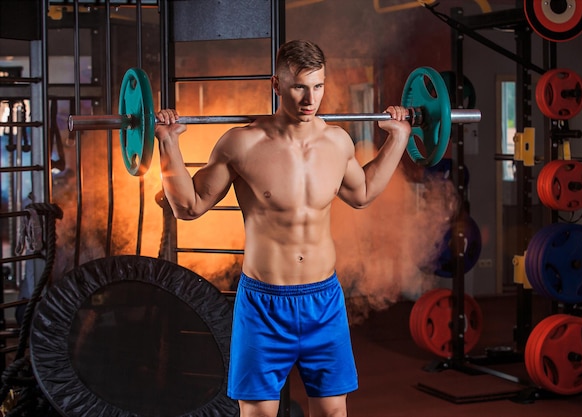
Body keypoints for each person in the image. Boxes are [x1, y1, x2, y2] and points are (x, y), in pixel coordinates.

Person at [155, 39, 411, 417]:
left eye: (318, 86)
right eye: (299, 87)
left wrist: (400, 137)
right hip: (263, 304)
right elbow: (188, 206)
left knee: (332, 413)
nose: (310, 99)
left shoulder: (337, 142)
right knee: (258, 413)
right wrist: (167, 144)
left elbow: (363, 193)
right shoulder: (241, 143)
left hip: (324, 301)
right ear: (276, 84)